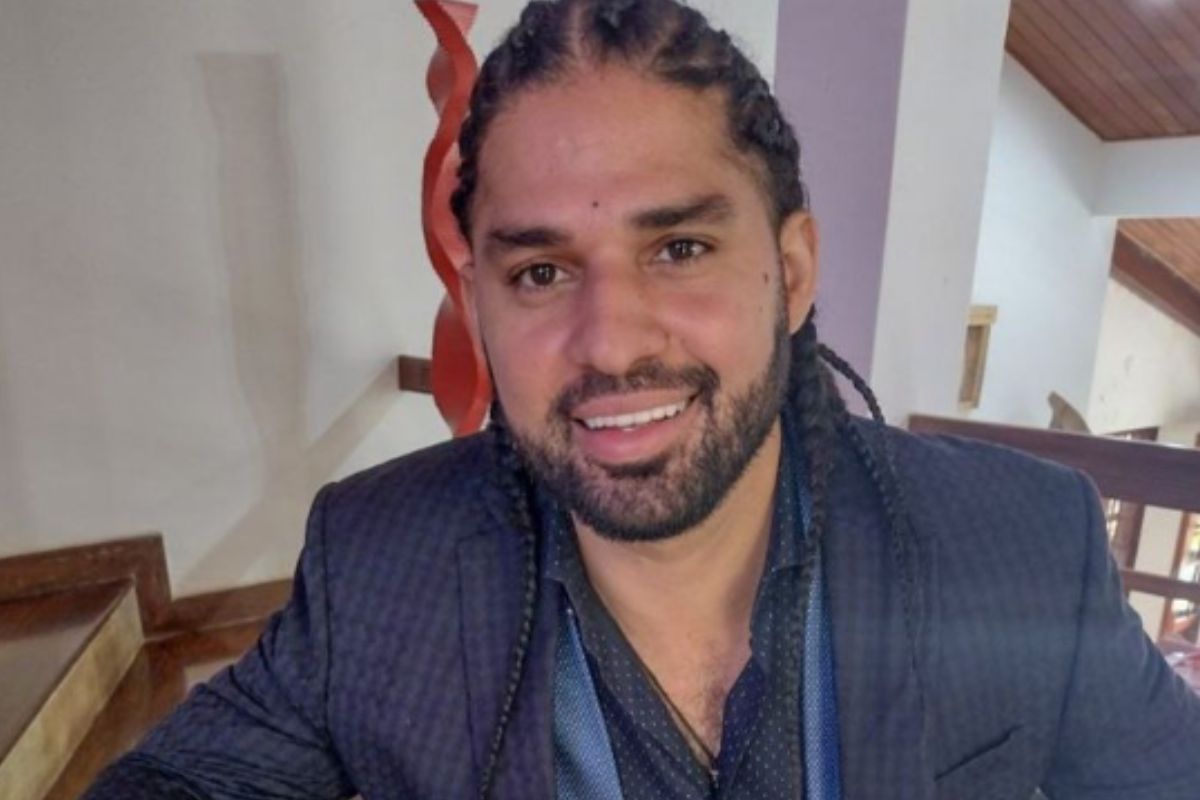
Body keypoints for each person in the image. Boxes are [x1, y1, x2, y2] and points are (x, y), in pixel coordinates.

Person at [85, 1, 1200, 798]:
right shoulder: (379, 560)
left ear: (792, 270)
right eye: (540, 271)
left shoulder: (1018, 546)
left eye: (679, 247)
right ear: (478, 304)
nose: (610, 339)